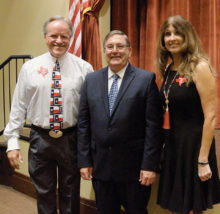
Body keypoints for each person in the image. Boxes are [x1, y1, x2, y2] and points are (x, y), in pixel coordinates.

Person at [4, 15, 93, 214]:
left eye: (64, 36)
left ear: (70, 37)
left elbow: (89, 112)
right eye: (54, 35)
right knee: (44, 192)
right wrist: (12, 142)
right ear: (45, 37)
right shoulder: (30, 68)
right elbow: (19, 105)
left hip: (71, 139)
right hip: (40, 139)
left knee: (70, 193)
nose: (59, 41)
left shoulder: (84, 69)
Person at [77, 30, 163, 214]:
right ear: (104, 51)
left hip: (134, 170)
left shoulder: (145, 80)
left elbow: (153, 128)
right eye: (110, 47)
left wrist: (149, 166)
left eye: (120, 46)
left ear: (129, 51)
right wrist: (84, 161)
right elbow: (84, 123)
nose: (115, 51)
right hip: (101, 167)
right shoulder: (91, 80)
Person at [156, 15, 220, 214]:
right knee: (177, 205)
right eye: (167, 34)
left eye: (177, 33)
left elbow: (211, 117)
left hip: (194, 148)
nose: (172, 38)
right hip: (174, 145)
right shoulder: (169, 68)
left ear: (187, 37)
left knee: (191, 206)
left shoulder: (199, 67)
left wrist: (203, 160)